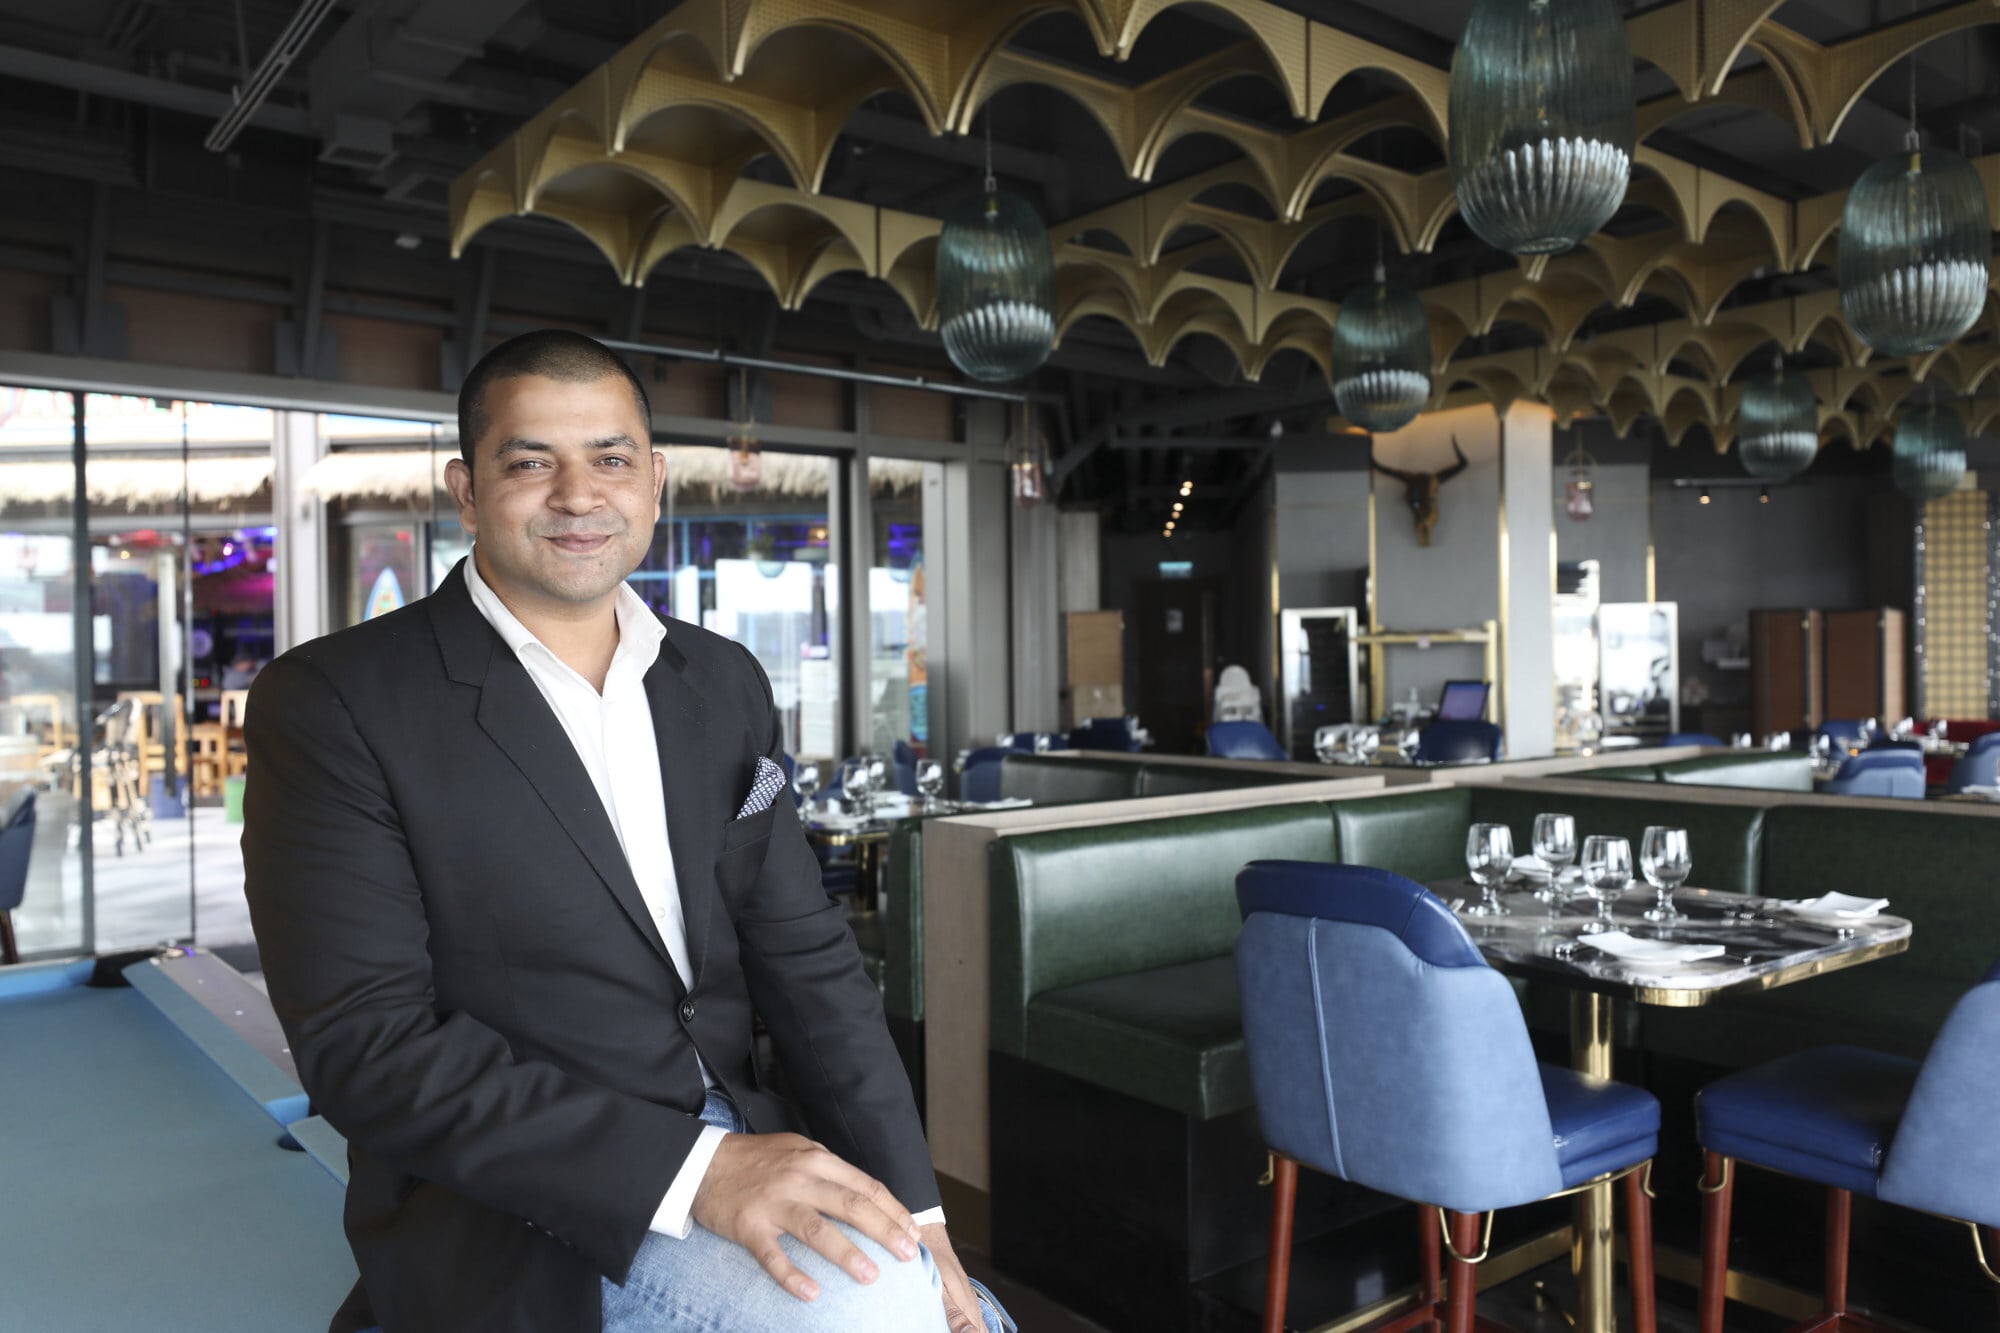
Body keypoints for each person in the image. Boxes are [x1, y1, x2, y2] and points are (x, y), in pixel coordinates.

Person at [243, 330, 989, 1333]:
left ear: (654, 482)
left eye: (610, 459)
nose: (578, 495)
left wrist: (923, 1212)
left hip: (754, 1138)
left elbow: (808, 960)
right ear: (467, 492)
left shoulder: (722, 679)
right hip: (519, 1206)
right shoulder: (336, 702)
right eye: (530, 463)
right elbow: (367, 1047)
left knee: (963, 1314)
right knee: (871, 1314)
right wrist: (700, 1169)